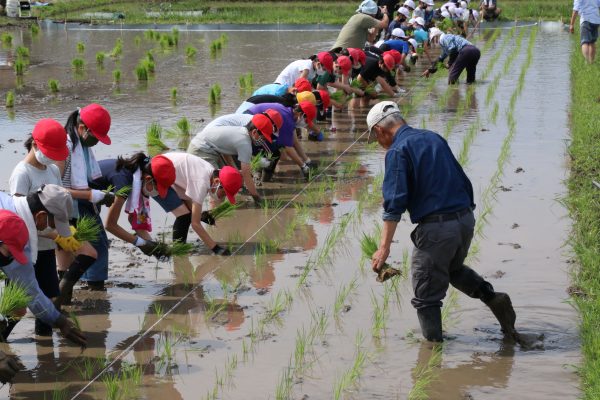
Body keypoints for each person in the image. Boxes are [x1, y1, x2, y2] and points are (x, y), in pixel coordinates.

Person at [366, 101, 518, 343]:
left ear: (380, 131)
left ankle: (432, 357)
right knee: (452, 269)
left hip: (437, 228)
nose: (379, 144)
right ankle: (492, 298)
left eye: (375, 138)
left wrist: (384, 248)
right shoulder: (433, 137)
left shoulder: (397, 151)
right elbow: (460, 179)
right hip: (465, 218)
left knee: (425, 296)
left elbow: (394, 204)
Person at [8, 118, 97, 332]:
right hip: (26, 249)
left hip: (46, 249)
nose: (52, 158)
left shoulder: (53, 171)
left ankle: (45, 352)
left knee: (48, 299)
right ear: (35, 145)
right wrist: (58, 236)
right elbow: (19, 218)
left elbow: (57, 205)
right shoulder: (22, 173)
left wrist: (66, 234)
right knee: (17, 306)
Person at [0, 197, 87, 346]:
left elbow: (29, 289)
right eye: (52, 223)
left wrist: (59, 321)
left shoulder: (16, 230)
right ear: (40, 215)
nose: (9, 258)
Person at [56, 103, 115, 291]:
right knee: (90, 247)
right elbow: (55, 189)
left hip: (79, 201)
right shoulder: (65, 147)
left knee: (74, 249)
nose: (97, 142)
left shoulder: (80, 145)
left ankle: (67, 291)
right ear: (82, 128)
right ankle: (84, 288)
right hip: (65, 205)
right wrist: (93, 195)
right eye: (96, 137)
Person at [90, 153, 177, 261]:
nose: (157, 192)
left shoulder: (138, 178)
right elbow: (110, 225)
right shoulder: (124, 182)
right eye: (157, 188)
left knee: (96, 244)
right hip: (78, 197)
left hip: (93, 200)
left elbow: (135, 220)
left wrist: (155, 248)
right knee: (98, 247)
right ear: (148, 178)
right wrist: (140, 243)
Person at [152, 152, 243, 254]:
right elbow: (195, 225)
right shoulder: (201, 182)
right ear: (217, 182)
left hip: (167, 170)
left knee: (188, 213)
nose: (224, 197)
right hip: (157, 175)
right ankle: (178, 252)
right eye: (224, 193)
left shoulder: (209, 171)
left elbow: (187, 195)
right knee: (184, 216)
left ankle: (180, 249)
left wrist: (201, 216)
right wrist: (215, 248)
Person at [187, 113, 274, 202]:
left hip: (209, 149)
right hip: (201, 150)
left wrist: (234, 169)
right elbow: (246, 175)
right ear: (254, 132)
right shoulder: (245, 143)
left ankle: (218, 206)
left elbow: (225, 151)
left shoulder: (240, 132)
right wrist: (257, 198)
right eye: (263, 138)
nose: (263, 141)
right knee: (220, 186)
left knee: (228, 178)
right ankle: (215, 211)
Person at [244, 101, 318, 181]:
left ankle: (263, 176)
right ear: (300, 114)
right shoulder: (287, 120)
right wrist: (303, 166)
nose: (305, 124)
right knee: (273, 152)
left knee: (273, 150)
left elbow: (294, 142)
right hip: (252, 122)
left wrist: (307, 160)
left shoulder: (289, 114)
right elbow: (287, 148)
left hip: (254, 119)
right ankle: (260, 175)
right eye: (306, 121)